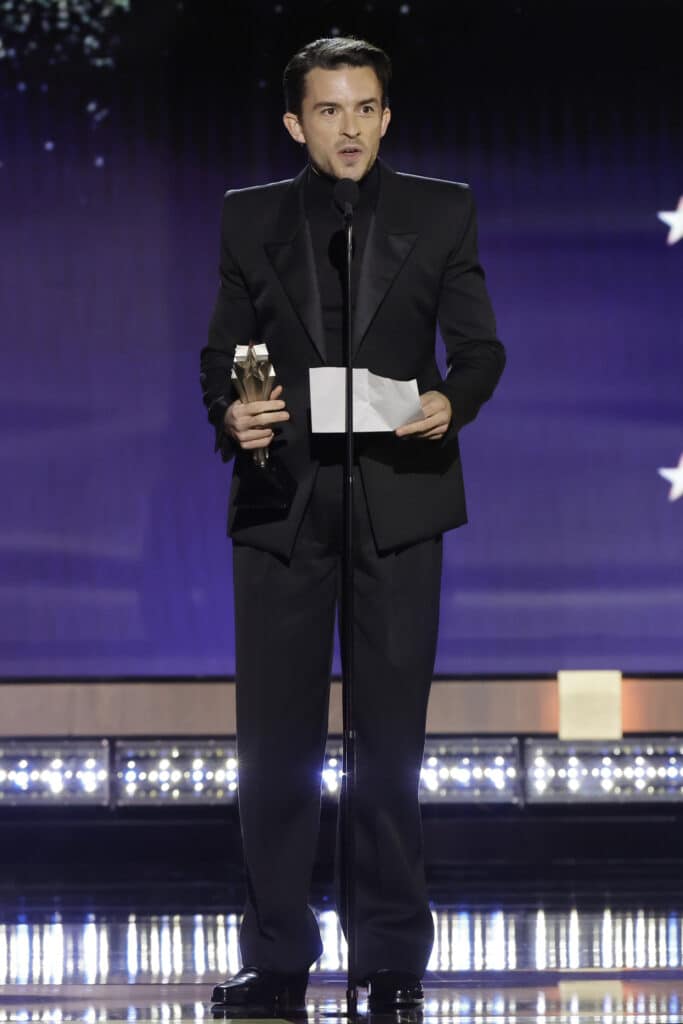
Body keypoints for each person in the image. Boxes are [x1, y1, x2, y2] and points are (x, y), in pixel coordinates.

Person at [200, 36, 505, 1016]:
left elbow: (480, 347)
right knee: (274, 744)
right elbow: (227, 349)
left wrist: (449, 403)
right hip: (282, 502)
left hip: (397, 497)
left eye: (364, 107)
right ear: (296, 122)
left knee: (389, 745)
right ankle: (276, 957)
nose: (348, 126)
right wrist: (235, 412)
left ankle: (388, 960)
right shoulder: (251, 217)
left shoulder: (439, 208)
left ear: (385, 115)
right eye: (327, 110)